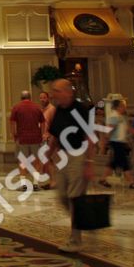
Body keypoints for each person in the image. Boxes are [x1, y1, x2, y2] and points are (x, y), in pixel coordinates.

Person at [43, 78, 96, 253]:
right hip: (62, 157)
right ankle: (86, 218)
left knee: (75, 198)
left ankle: (75, 239)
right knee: (62, 196)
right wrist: (47, 155)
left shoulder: (81, 110)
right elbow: (55, 135)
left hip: (78, 156)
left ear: (68, 92)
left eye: (56, 91)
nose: (53, 94)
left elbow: (89, 137)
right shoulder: (59, 110)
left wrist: (89, 163)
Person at [9, 90, 47, 186]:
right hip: (36, 138)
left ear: (21, 98)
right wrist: (42, 134)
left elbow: (12, 122)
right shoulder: (36, 107)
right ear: (30, 97)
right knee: (36, 161)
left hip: (22, 138)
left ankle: (23, 184)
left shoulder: (16, 107)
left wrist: (14, 135)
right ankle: (35, 183)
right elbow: (43, 122)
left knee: (23, 161)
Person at [105, 98, 134, 188]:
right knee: (124, 163)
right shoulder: (114, 116)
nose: (125, 107)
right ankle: (132, 183)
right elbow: (109, 128)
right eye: (123, 106)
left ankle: (103, 179)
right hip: (116, 142)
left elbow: (128, 128)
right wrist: (107, 139)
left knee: (114, 163)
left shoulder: (122, 117)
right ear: (118, 107)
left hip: (120, 142)